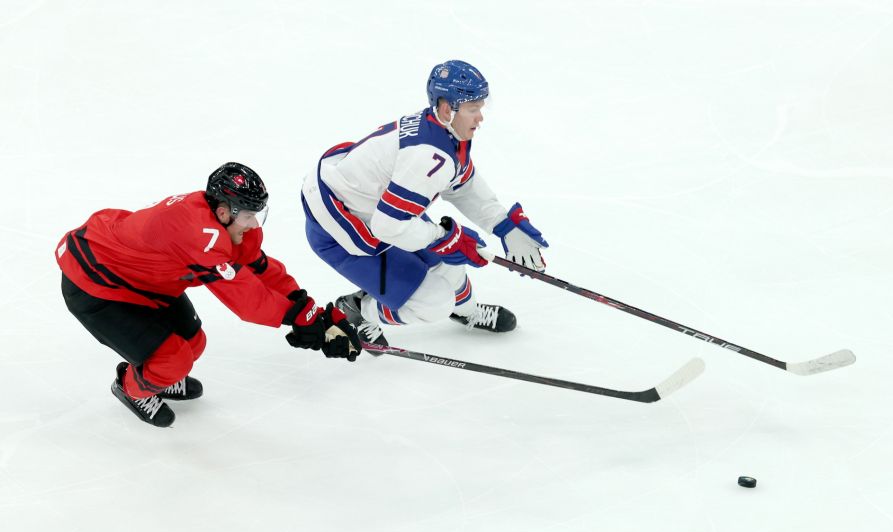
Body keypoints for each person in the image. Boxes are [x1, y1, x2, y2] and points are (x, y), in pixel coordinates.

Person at [55, 162, 360, 428]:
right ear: (225, 211)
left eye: (258, 214)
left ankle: (155, 379)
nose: (254, 224)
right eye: (249, 216)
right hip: (95, 285)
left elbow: (262, 270)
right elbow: (245, 299)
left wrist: (311, 311)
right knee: (172, 360)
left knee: (193, 344)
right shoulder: (199, 234)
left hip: (144, 282)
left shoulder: (230, 224)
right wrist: (299, 320)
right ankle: (131, 388)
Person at [300, 60, 549, 352]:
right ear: (447, 108)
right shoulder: (427, 155)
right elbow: (388, 226)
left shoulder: (444, 132)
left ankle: (464, 311)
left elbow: (461, 183)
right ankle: (359, 311)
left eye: (480, 106)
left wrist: (502, 225)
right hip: (342, 233)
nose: (480, 117)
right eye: (473, 108)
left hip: (376, 212)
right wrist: (443, 238)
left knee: (450, 264)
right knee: (433, 304)